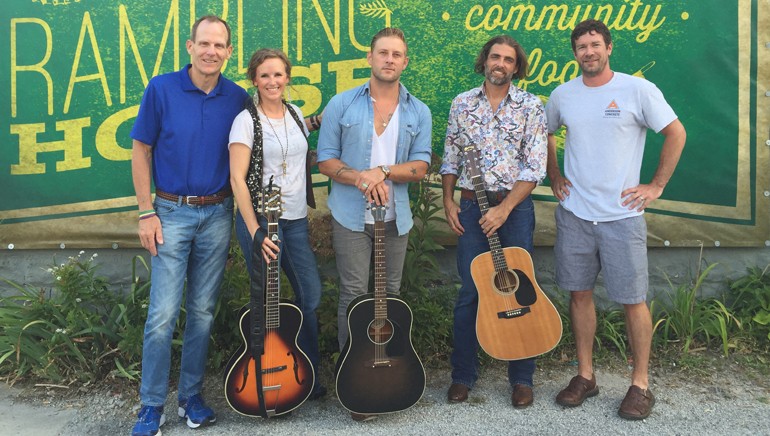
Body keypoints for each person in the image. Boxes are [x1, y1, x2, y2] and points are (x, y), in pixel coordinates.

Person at [545, 19, 686, 420]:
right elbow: (545, 134)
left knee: (632, 300)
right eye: (581, 46)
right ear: (574, 53)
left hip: (622, 217)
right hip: (575, 214)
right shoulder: (562, 95)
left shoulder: (636, 89)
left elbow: (676, 133)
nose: (588, 52)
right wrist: (554, 175)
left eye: (595, 45)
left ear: (609, 48)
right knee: (578, 294)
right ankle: (585, 376)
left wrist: (655, 186)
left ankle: (640, 384)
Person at [129, 15, 248, 436]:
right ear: (189, 46)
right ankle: (151, 406)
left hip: (217, 214)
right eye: (204, 44)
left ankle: (190, 397)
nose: (211, 51)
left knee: (201, 312)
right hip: (170, 213)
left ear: (229, 52)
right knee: (162, 314)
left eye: (220, 46)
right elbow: (140, 149)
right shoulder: (161, 88)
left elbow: (264, 135)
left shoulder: (237, 97)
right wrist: (146, 211)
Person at [316, 27, 432, 420]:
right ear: (370, 57)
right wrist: (361, 178)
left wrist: (382, 171)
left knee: (391, 296)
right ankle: (354, 379)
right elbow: (326, 160)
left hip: (395, 218)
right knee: (352, 295)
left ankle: (389, 374)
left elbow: (421, 166)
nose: (389, 60)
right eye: (383, 53)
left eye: (397, 54)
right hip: (351, 215)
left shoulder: (418, 111)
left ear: (405, 61)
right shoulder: (342, 104)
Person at [440, 35, 547, 409]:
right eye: (494, 57)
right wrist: (447, 199)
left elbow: (535, 167)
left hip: (514, 211)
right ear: (485, 60)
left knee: (522, 291)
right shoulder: (462, 104)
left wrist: (503, 209)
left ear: (517, 67)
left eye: (508, 59)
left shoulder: (532, 106)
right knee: (471, 292)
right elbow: (451, 157)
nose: (500, 63)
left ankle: (521, 378)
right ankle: (462, 376)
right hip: (470, 208)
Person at [228, 48, 326, 401]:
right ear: (254, 79)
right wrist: (254, 230)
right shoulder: (245, 121)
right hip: (262, 222)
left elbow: (296, 150)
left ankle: (306, 373)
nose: (272, 81)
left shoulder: (296, 114)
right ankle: (267, 372)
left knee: (310, 295)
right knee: (269, 302)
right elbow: (237, 179)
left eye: (279, 75)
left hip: (296, 220)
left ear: (288, 78)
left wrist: (322, 119)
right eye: (265, 75)